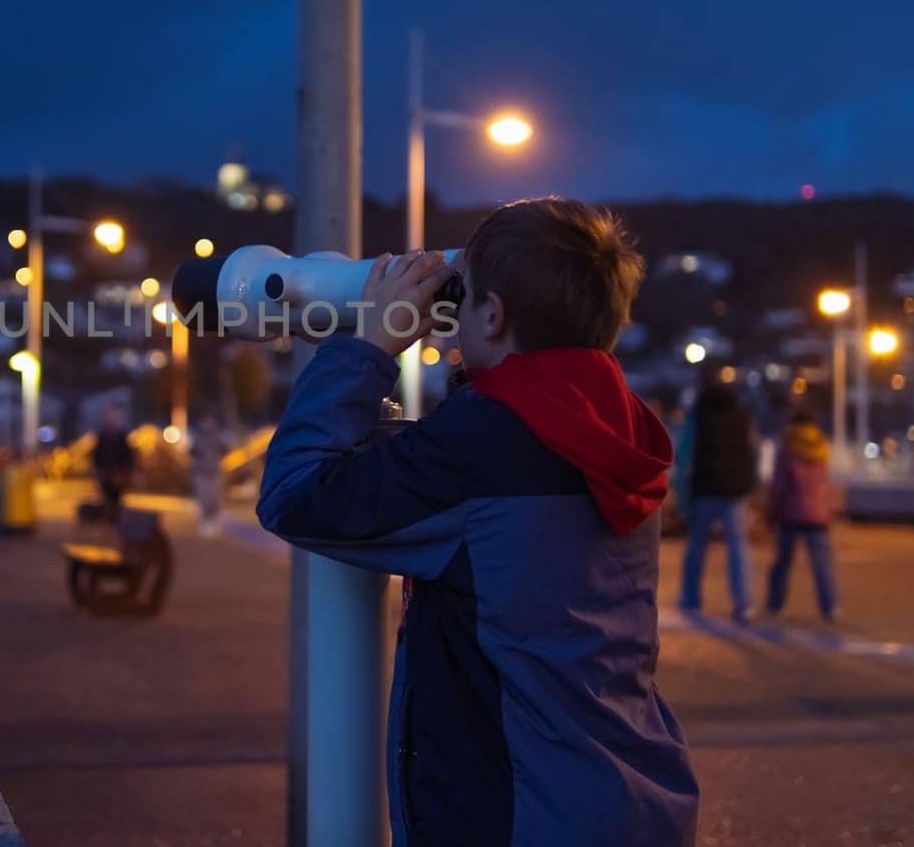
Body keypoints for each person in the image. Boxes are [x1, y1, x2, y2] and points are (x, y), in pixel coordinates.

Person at [258, 198, 698, 847]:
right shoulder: (616, 421)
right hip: (630, 790)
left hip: (516, 813)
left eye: (461, 305)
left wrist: (372, 345)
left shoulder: (483, 445)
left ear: (490, 315)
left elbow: (295, 492)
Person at [676, 378, 758, 621]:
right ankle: (743, 603)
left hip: (704, 488)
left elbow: (684, 455)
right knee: (738, 545)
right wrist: (750, 485)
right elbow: (753, 452)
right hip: (735, 491)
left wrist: (682, 495)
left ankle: (691, 598)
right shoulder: (742, 416)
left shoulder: (698, 416)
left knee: (697, 545)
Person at [765, 409, 839, 621]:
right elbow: (825, 485)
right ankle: (830, 605)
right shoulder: (821, 448)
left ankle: (775, 603)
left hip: (791, 513)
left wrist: (771, 513)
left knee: (782, 562)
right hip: (817, 514)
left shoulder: (788, 448)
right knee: (822, 563)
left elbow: (779, 487)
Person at [91, 409, 134, 520]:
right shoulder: (102, 436)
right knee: (106, 495)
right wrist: (99, 469)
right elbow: (97, 454)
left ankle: (116, 517)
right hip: (105, 471)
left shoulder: (122, 437)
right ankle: (107, 517)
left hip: (118, 472)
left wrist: (126, 470)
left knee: (117, 496)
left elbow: (128, 455)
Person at [189, 411, 226, 538]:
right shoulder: (197, 436)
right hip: (201, 473)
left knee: (214, 499)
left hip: (214, 472)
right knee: (204, 499)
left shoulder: (217, 435)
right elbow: (192, 451)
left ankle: (214, 523)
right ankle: (205, 523)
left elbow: (224, 449)